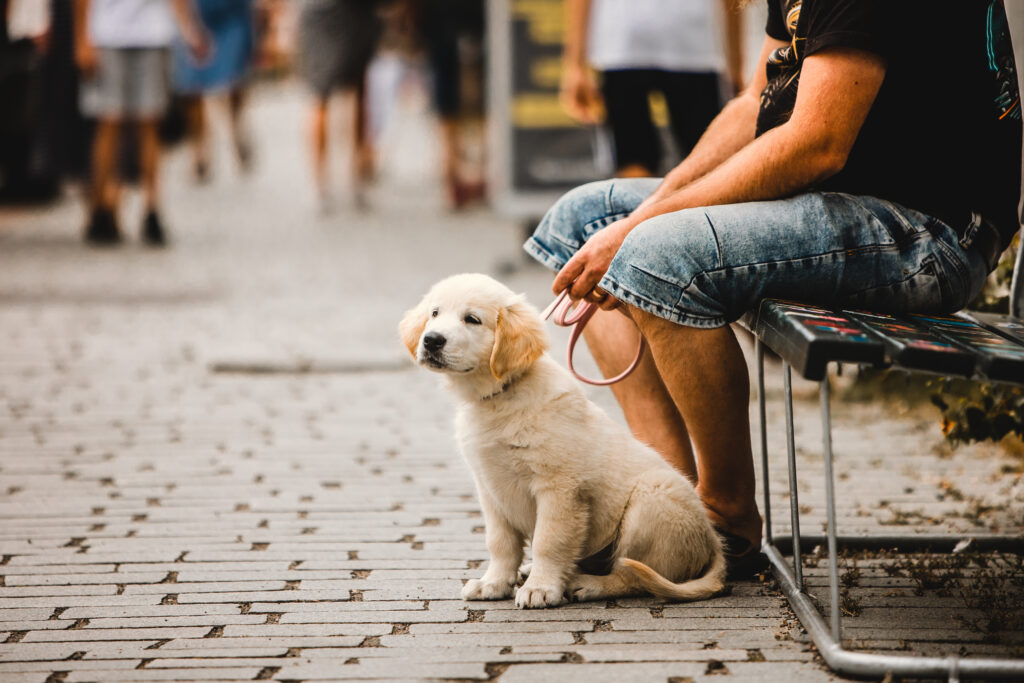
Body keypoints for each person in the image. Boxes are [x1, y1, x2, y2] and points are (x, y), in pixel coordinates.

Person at [524, 0, 1021, 578]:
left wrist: (641, 229)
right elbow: (755, 102)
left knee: (659, 256)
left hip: (925, 232)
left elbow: (816, 142)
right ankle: (662, 504)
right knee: (584, 221)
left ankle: (723, 522)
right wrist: (649, 210)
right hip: (850, 203)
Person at [75, 0, 209, 246]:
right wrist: (83, 36)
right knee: (109, 121)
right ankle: (102, 207)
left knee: (149, 123)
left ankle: (152, 208)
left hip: (153, 33)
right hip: (108, 34)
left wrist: (188, 28)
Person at [561, 0, 743, 177]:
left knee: (634, 161)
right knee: (704, 163)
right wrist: (736, 63)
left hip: (625, 39)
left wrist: (575, 64)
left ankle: (642, 206)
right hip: (690, 39)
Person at [296, 0, 381, 212]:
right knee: (342, 96)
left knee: (324, 97)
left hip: (327, 12)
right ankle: (343, 180)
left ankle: (332, 182)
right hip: (344, 13)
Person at [171, 0, 256, 183]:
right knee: (192, 84)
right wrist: (185, 23)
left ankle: (236, 123)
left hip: (233, 12)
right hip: (197, 10)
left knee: (234, 76)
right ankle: (199, 145)